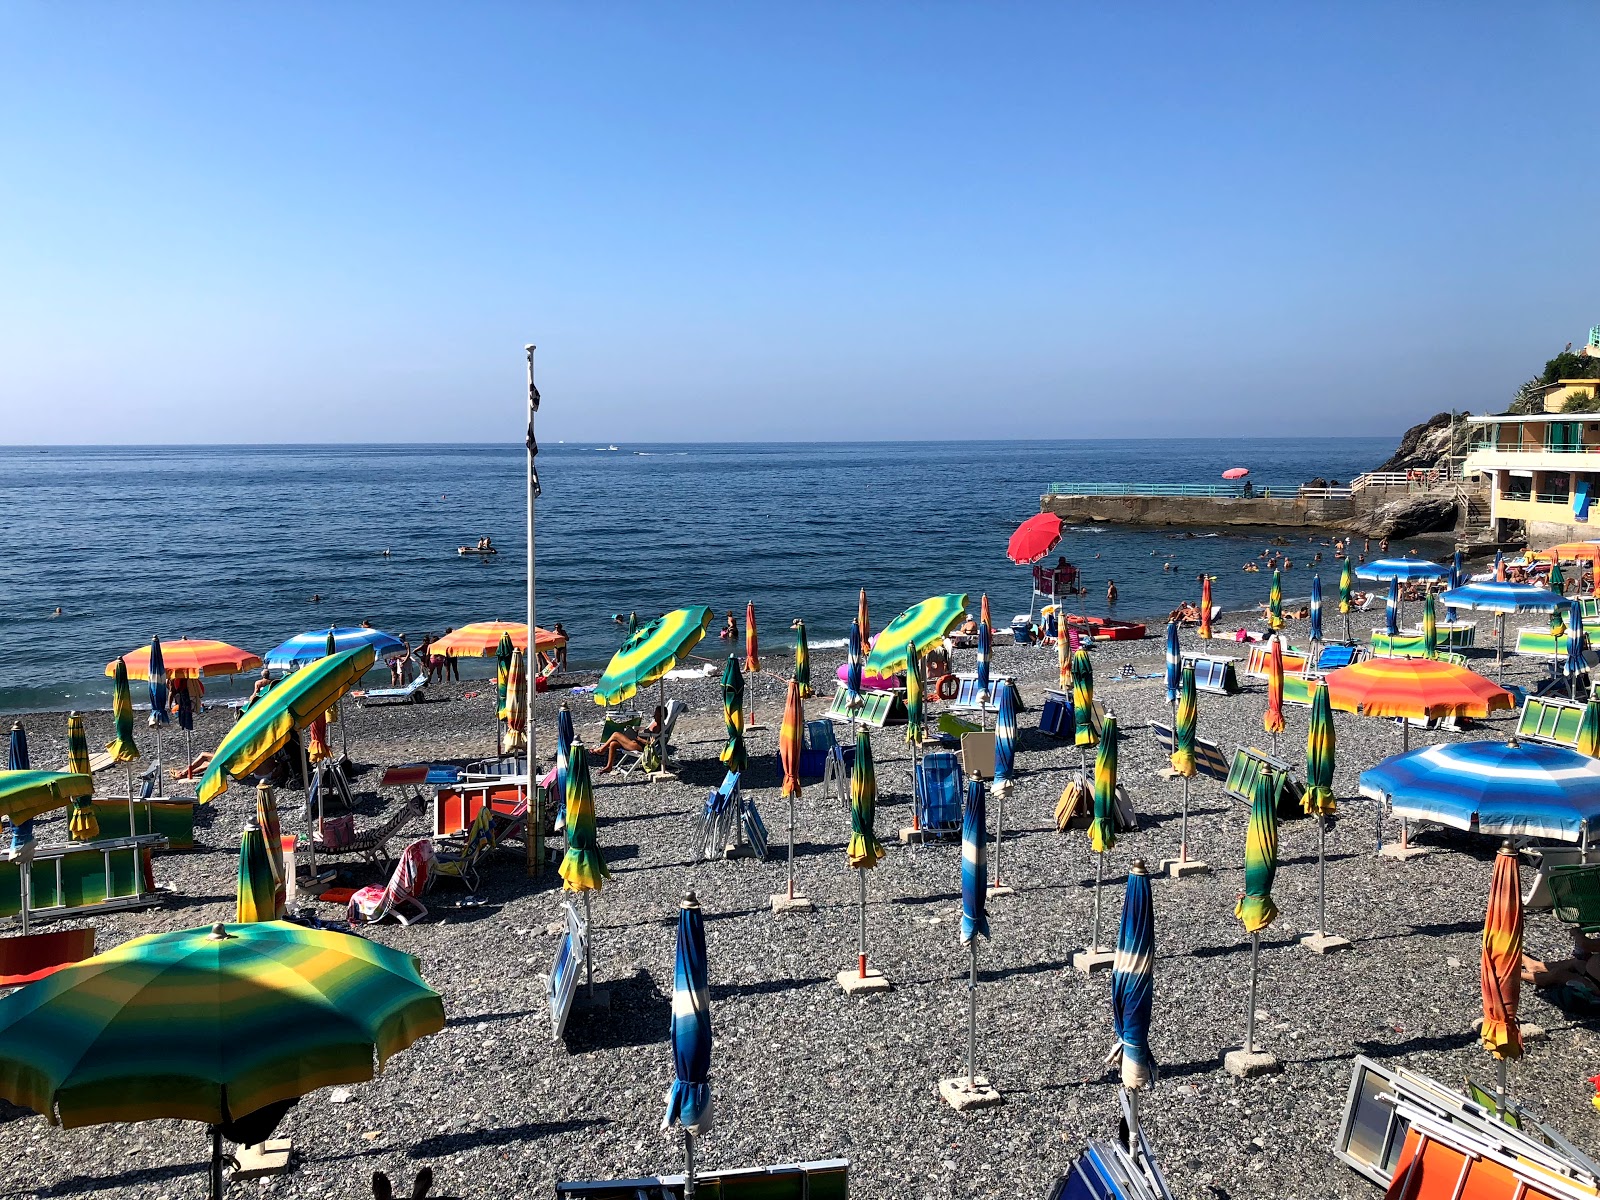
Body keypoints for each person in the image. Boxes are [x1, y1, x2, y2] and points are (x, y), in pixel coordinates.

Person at [591, 706, 666, 774]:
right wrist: (636, 734)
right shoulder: (655, 724)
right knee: (613, 744)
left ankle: (601, 750)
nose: (654, 715)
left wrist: (639, 739)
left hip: (639, 746)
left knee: (616, 734)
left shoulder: (659, 727)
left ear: (661, 716)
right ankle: (609, 767)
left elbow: (651, 743)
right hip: (635, 742)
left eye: (656, 714)